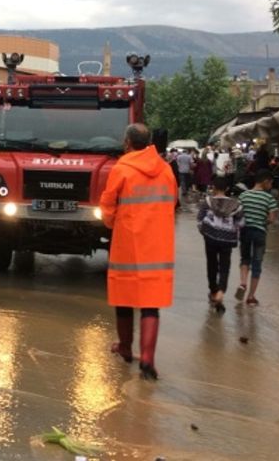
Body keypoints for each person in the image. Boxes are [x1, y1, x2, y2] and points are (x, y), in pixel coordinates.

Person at [101, 123, 177, 381]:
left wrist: (113, 224)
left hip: (128, 244)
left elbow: (108, 204)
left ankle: (125, 347)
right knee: (150, 304)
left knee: (124, 298)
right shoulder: (166, 170)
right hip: (158, 246)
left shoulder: (121, 169)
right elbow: (173, 203)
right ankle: (147, 358)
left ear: (127, 143)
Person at [197, 176, 245, 311]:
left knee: (211, 265)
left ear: (213, 188)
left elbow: (200, 219)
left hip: (210, 237)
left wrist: (204, 232)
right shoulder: (236, 205)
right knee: (225, 266)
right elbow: (241, 223)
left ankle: (213, 291)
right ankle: (221, 292)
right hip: (227, 240)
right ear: (227, 189)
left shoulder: (207, 201)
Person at [236, 170, 279, 306]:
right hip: (260, 233)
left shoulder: (243, 195)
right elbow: (272, 219)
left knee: (245, 259)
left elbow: (237, 213)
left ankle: (243, 283)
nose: (271, 186)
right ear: (265, 182)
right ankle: (251, 297)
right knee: (257, 263)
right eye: (271, 183)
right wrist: (262, 220)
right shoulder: (269, 198)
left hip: (245, 231)